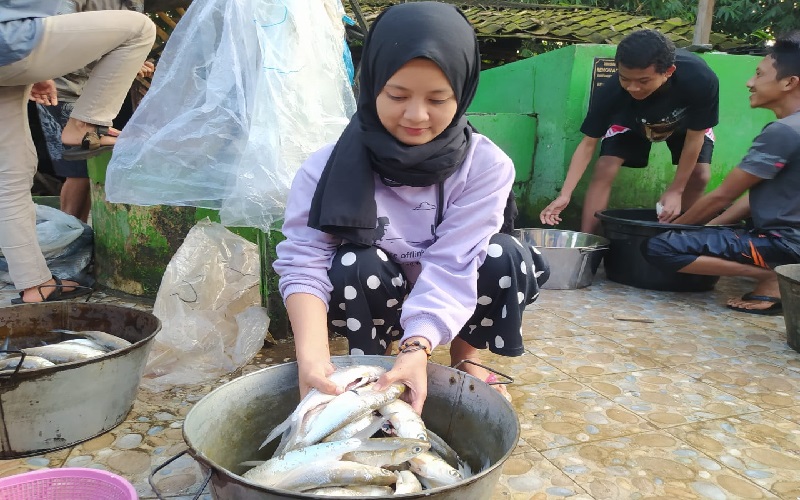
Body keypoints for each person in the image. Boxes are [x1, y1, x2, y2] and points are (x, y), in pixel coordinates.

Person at [273, 1, 549, 413]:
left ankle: (464, 355)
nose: (416, 115)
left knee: (503, 255)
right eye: (397, 95)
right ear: (371, 87)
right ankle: (375, 362)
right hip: (375, 287)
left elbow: (455, 263)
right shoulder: (323, 169)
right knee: (352, 262)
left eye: (438, 99)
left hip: (451, 284)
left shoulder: (486, 166)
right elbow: (304, 262)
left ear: (464, 91)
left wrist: (418, 345)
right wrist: (310, 361)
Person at [0, 4, 156, 304]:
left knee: (11, 172)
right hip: (12, 39)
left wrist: (42, 67)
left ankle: (36, 286)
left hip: (12, 51)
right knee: (139, 28)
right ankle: (84, 125)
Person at [644, 32, 800, 315]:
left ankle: (772, 278)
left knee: (660, 247)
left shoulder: (783, 132)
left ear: (789, 82)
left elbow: (722, 196)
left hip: (786, 244)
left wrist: (673, 231)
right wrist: (711, 227)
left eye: (758, 74)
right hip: (789, 238)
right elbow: (757, 198)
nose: (750, 82)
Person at [540, 29, 720, 234]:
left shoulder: (701, 79)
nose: (633, 88)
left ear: (668, 72)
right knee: (605, 167)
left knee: (700, 175)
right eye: (625, 78)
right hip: (632, 118)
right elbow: (588, 143)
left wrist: (676, 190)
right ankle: (590, 244)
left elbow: (695, 137)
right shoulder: (612, 91)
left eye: (643, 81)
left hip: (683, 121)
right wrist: (565, 194)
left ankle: (680, 237)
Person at [36, 0, 154, 223]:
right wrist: (116, 59)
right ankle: (70, 232)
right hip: (60, 88)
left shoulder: (135, 3)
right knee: (78, 170)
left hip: (96, 96)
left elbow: (123, 44)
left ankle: (78, 232)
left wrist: (133, 61)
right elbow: (59, 36)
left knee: (90, 167)